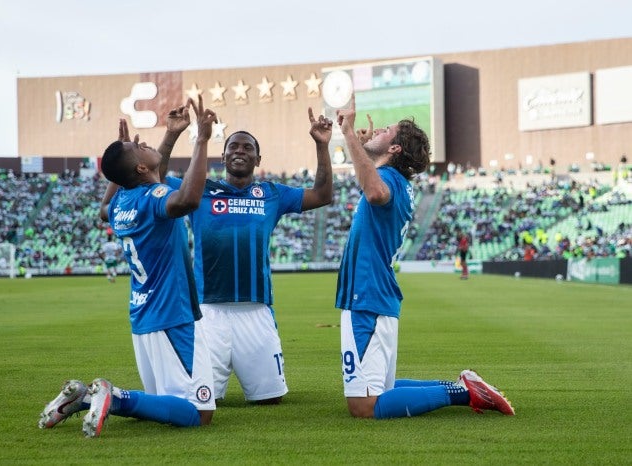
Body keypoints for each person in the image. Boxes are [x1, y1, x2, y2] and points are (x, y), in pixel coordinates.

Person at [101, 107, 333, 405]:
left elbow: (323, 195)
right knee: (199, 398)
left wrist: (322, 145)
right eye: (233, 146)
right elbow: (153, 177)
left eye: (248, 147)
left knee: (269, 399)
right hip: (207, 312)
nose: (240, 151)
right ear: (222, 158)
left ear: (258, 160)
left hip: (256, 309)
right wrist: (173, 135)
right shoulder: (201, 190)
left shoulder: (273, 193)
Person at [39, 96, 219, 437]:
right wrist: (201, 139)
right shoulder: (151, 200)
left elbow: (106, 204)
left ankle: (82, 399)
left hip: (143, 316)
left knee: (162, 401)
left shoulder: (121, 202)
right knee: (199, 412)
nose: (143, 143)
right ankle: (115, 396)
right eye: (137, 148)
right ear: (139, 169)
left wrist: (169, 137)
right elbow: (189, 200)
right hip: (171, 314)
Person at [335, 95, 514, 420]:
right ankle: (463, 385)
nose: (376, 131)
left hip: (367, 296)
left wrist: (348, 133)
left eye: (386, 131)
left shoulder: (387, 182)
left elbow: (373, 191)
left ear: (395, 149)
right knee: (381, 391)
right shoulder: (396, 181)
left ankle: (464, 393)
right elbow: (369, 182)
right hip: (374, 296)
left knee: (364, 405)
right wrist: (359, 150)